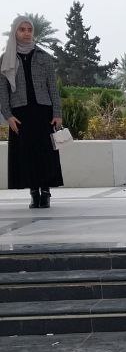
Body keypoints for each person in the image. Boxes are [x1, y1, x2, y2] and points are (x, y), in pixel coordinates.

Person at [0, 16, 64, 209]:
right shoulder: (5, 59)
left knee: (45, 153)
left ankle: (46, 192)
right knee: (26, 154)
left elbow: (53, 87)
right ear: (15, 32)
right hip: (20, 114)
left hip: (43, 112)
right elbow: (2, 92)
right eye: (22, 29)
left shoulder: (44, 57)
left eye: (29, 30)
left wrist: (57, 113)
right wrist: (8, 115)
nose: (26, 33)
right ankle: (34, 193)